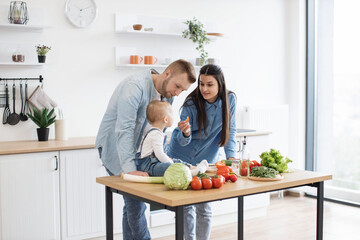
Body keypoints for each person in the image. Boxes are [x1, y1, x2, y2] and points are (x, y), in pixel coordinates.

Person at [95, 59, 196, 240]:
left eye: (183, 90)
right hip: (114, 147)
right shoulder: (134, 87)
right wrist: (131, 169)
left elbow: (158, 131)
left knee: (132, 204)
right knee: (136, 204)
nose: (177, 93)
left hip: (138, 152)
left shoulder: (168, 94)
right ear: (168, 73)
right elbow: (124, 130)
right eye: (178, 86)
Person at [167, 64, 237, 240]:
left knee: (204, 207)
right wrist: (186, 132)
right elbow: (183, 140)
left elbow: (230, 130)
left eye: (210, 84)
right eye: (201, 84)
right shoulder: (191, 104)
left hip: (206, 161)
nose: (204, 89)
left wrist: (231, 158)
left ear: (220, 84)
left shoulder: (230, 100)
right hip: (181, 156)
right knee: (186, 207)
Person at [136, 100, 208, 176]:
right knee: (169, 167)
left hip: (156, 162)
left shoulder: (158, 132)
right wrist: (172, 164)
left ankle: (191, 168)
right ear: (165, 119)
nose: (173, 116)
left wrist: (172, 161)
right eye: (172, 114)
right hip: (149, 167)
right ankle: (190, 173)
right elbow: (159, 154)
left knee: (175, 161)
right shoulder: (156, 134)